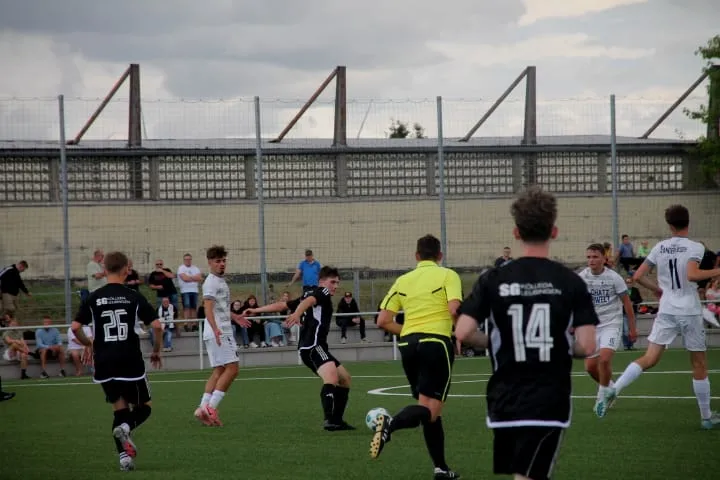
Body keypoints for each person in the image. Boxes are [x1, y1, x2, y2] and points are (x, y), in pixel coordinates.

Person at [454, 186, 598, 480]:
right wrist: (554, 342)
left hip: (504, 399)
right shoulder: (570, 281)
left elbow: (463, 332)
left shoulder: (493, 279)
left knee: (522, 475)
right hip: (549, 399)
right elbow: (586, 345)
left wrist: (501, 340)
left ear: (516, 233)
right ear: (554, 232)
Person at [596, 204, 720, 429]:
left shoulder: (660, 247)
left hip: (667, 308)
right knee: (699, 363)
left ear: (669, 225)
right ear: (688, 222)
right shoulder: (695, 247)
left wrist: (658, 289)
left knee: (649, 358)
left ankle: (615, 389)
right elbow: (692, 275)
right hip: (689, 309)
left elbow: (637, 276)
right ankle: (706, 417)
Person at [370, 234, 463, 480]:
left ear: (416, 256)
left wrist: (410, 331)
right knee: (430, 411)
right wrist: (460, 333)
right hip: (436, 343)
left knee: (429, 411)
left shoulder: (403, 280)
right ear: (440, 255)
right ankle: (389, 424)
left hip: (408, 345)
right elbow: (454, 309)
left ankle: (441, 468)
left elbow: (383, 320)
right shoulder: (447, 275)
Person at [71, 251, 163, 472]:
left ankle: (124, 459)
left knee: (120, 410)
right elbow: (157, 326)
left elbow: (75, 328)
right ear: (126, 270)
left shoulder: (94, 297)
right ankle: (126, 428)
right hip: (129, 360)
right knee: (144, 408)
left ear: (105, 270)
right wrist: (156, 350)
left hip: (104, 362)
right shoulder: (133, 296)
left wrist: (88, 344)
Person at [243, 266, 355, 431]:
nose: (335, 286)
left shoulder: (308, 294)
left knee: (345, 379)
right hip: (313, 346)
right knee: (331, 378)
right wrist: (296, 314)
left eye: (337, 283)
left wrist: (256, 310)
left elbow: (282, 305)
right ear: (322, 281)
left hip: (313, 347)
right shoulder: (322, 292)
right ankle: (330, 420)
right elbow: (309, 302)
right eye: (333, 282)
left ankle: (337, 420)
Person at [194, 245, 251, 427]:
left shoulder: (220, 281)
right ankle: (211, 408)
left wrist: (235, 317)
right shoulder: (211, 282)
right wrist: (216, 329)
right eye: (218, 261)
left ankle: (202, 408)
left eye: (224, 261)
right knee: (233, 369)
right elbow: (208, 308)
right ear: (210, 263)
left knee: (219, 370)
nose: (222, 264)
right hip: (219, 332)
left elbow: (220, 308)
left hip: (216, 331)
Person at [577, 244, 637, 415]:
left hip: (611, 323)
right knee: (590, 367)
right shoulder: (582, 277)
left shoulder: (614, 278)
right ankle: (610, 387)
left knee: (604, 360)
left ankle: (602, 398)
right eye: (589, 257)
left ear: (604, 258)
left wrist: (632, 328)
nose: (591, 260)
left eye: (595, 257)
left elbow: (627, 303)